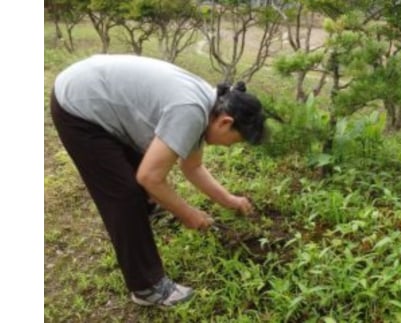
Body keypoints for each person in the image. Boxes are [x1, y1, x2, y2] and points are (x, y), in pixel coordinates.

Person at [49, 54, 266, 307]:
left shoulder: (209, 104)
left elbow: (193, 167)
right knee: (125, 195)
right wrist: (189, 215)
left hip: (95, 90)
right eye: (235, 141)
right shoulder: (191, 110)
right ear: (226, 122)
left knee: (144, 161)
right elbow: (150, 178)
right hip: (78, 106)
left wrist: (230, 200)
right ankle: (147, 288)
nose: (230, 147)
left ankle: (150, 211)